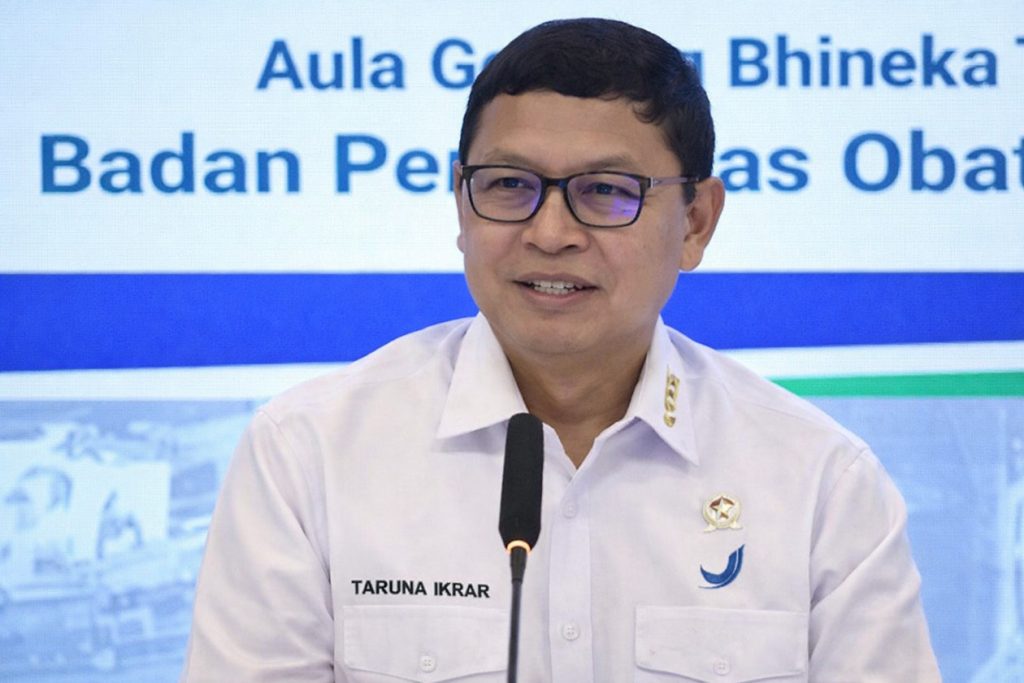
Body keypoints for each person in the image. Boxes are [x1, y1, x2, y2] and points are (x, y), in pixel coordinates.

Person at [181, 18, 940, 682]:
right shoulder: (309, 454)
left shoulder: (819, 481)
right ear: (460, 203)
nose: (550, 233)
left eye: (606, 191)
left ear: (696, 222)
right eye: (510, 185)